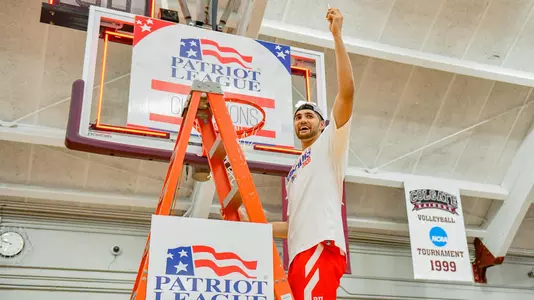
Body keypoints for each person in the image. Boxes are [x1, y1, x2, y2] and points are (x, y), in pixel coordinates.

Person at [240, 7, 354, 300]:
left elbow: (347, 93)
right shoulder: (294, 171)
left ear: (322, 123)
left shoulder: (331, 143)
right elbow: (293, 226)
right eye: (298, 117)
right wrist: (255, 224)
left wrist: (338, 37)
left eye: (309, 116)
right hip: (298, 256)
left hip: (320, 248)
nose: (303, 120)